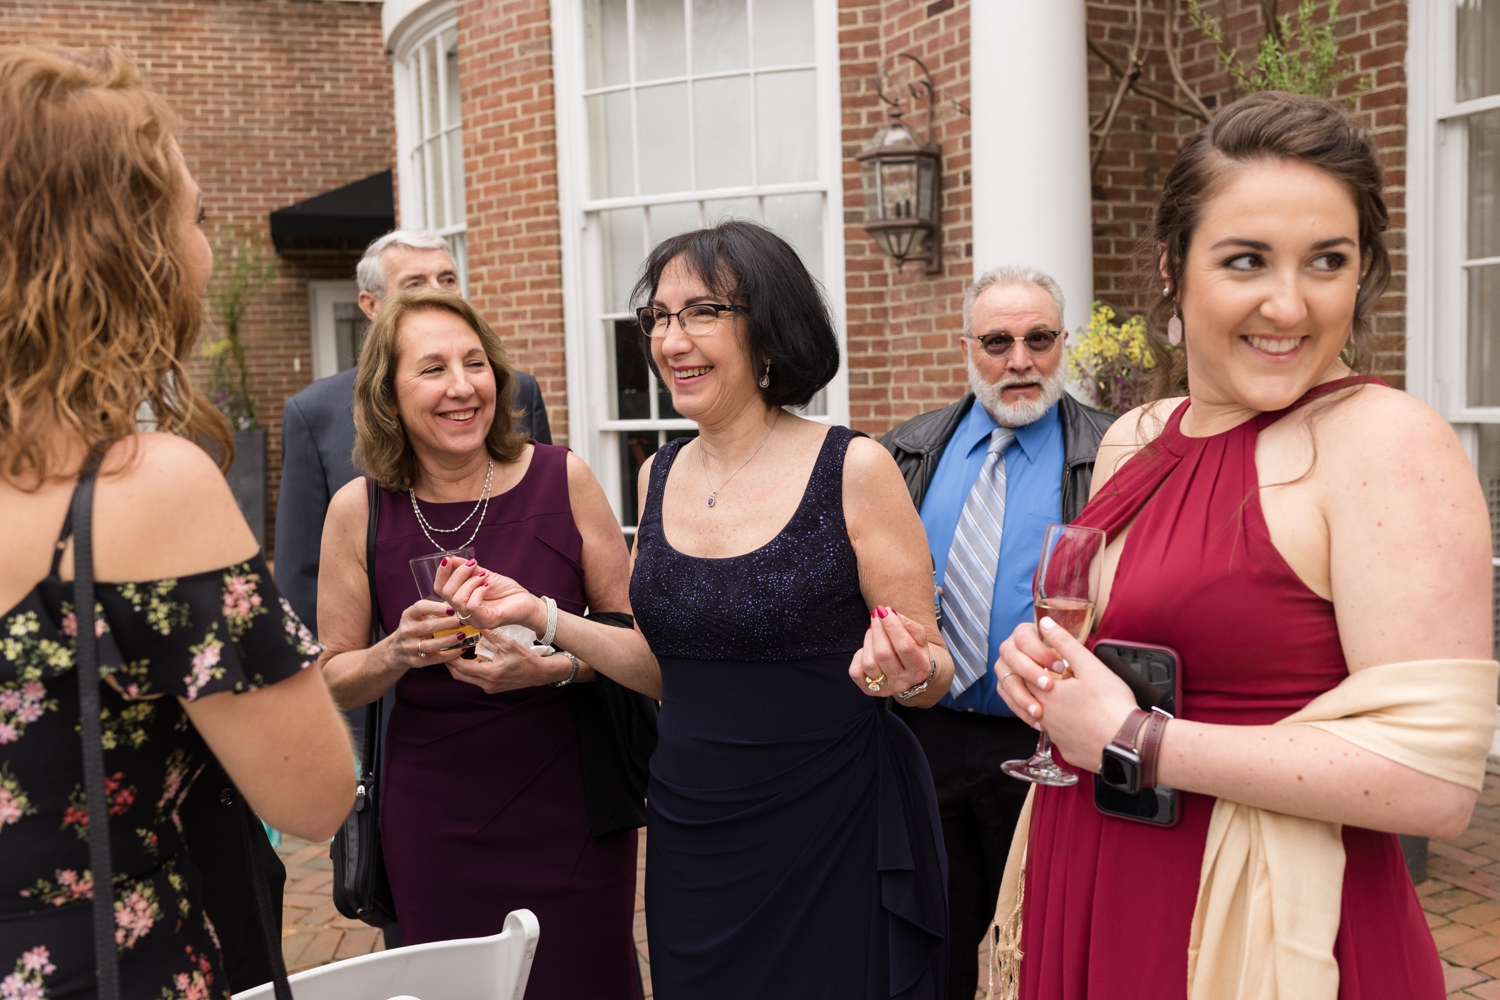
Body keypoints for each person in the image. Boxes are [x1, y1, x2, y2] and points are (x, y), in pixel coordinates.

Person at [993, 91, 1498, 1000]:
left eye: (1327, 262)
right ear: (1173, 271)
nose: (1288, 302)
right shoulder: (1136, 434)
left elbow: (1431, 783)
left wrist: (1131, 736)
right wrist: (1042, 669)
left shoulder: (1386, 444)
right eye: (1245, 260)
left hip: (1254, 925)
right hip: (1094, 866)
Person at [437, 219, 952, 998]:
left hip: (830, 825)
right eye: (660, 317)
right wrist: (541, 613)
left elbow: (933, 672)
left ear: (770, 328)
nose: (672, 338)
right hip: (693, 831)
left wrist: (906, 674)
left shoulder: (855, 468)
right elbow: (666, 667)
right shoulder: (660, 475)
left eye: (703, 311)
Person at [0, 46, 354, 999]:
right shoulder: (141, 488)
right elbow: (311, 796)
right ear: (126, 250)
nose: (203, 247)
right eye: (193, 217)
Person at [314, 289, 644, 1000]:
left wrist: (554, 669)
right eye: (432, 369)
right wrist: (394, 653)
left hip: (572, 804)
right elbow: (333, 678)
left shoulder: (565, 478)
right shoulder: (359, 510)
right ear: (388, 394)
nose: (462, 387)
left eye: (475, 363)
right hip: (435, 817)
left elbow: (635, 646)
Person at [880, 265, 1114, 1000]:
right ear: (967, 347)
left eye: (1039, 339)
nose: (1020, 360)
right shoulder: (906, 452)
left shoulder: (1113, 456)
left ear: (1063, 342)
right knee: (928, 943)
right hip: (929, 734)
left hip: (1048, 741)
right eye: (998, 341)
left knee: (1046, 944)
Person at [274, 229, 551, 638]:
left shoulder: (513, 388)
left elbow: (544, 516)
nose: (438, 293)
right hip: (390, 678)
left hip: (523, 649)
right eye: (414, 285)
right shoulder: (313, 413)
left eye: (448, 279)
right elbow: (301, 572)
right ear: (370, 305)